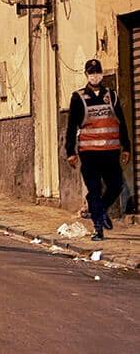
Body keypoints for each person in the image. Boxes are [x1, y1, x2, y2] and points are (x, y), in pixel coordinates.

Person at [65, 58, 131, 241]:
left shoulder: (112, 95)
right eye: (91, 73)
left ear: (101, 74)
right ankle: (98, 229)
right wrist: (70, 152)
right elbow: (71, 126)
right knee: (94, 190)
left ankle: (100, 209)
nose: (95, 76)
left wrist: (126, 147)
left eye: (97, 72)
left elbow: (121, 122)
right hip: (89, 154)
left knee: (116, 185)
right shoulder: (78, 98)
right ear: (86, 75)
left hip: (110, 153)